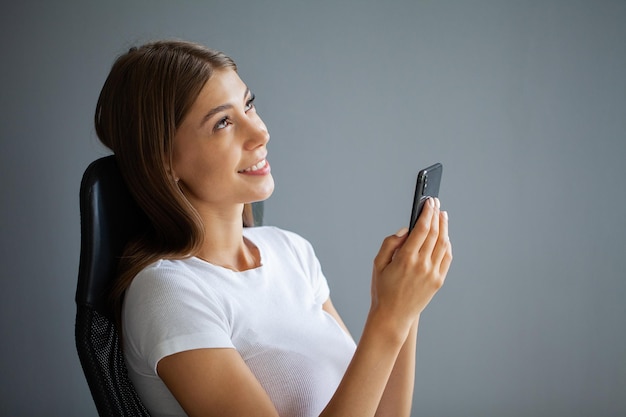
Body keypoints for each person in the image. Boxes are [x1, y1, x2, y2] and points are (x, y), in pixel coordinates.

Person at [94, 39, 453, 417]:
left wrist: (403, 307)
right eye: (223, 122)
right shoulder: (168, 293)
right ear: (164, 161)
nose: (260, 133)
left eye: (248, 105)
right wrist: (388, 318)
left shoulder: (291, 250)